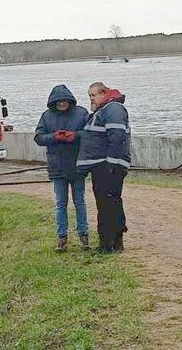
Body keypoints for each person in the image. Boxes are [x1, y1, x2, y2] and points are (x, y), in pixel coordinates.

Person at [77, 82, 131, 253]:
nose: (91, 99)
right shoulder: (103, 111)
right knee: (111, 203)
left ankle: (108, 244)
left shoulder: (112, 109)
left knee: (107, 204)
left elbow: (117, 136)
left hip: (108, 166)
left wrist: (111, 163)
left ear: (104, 93)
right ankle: (115, 242)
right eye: (89, 96)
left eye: (93, 95)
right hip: (105, 165)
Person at [35, 85, 90, 251]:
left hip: (77, 165)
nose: (61, 104)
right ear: (54, 102)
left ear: (69, 100)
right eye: (58, 101)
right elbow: (38, 137)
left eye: (64, 101)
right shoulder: (46, 116)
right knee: (60, 203)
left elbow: (90, 133)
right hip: (57, 166)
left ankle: (84, 235)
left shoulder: (81, 113)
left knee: (79, 202)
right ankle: (62, 237)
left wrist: (76, 135)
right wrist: (54, 137)